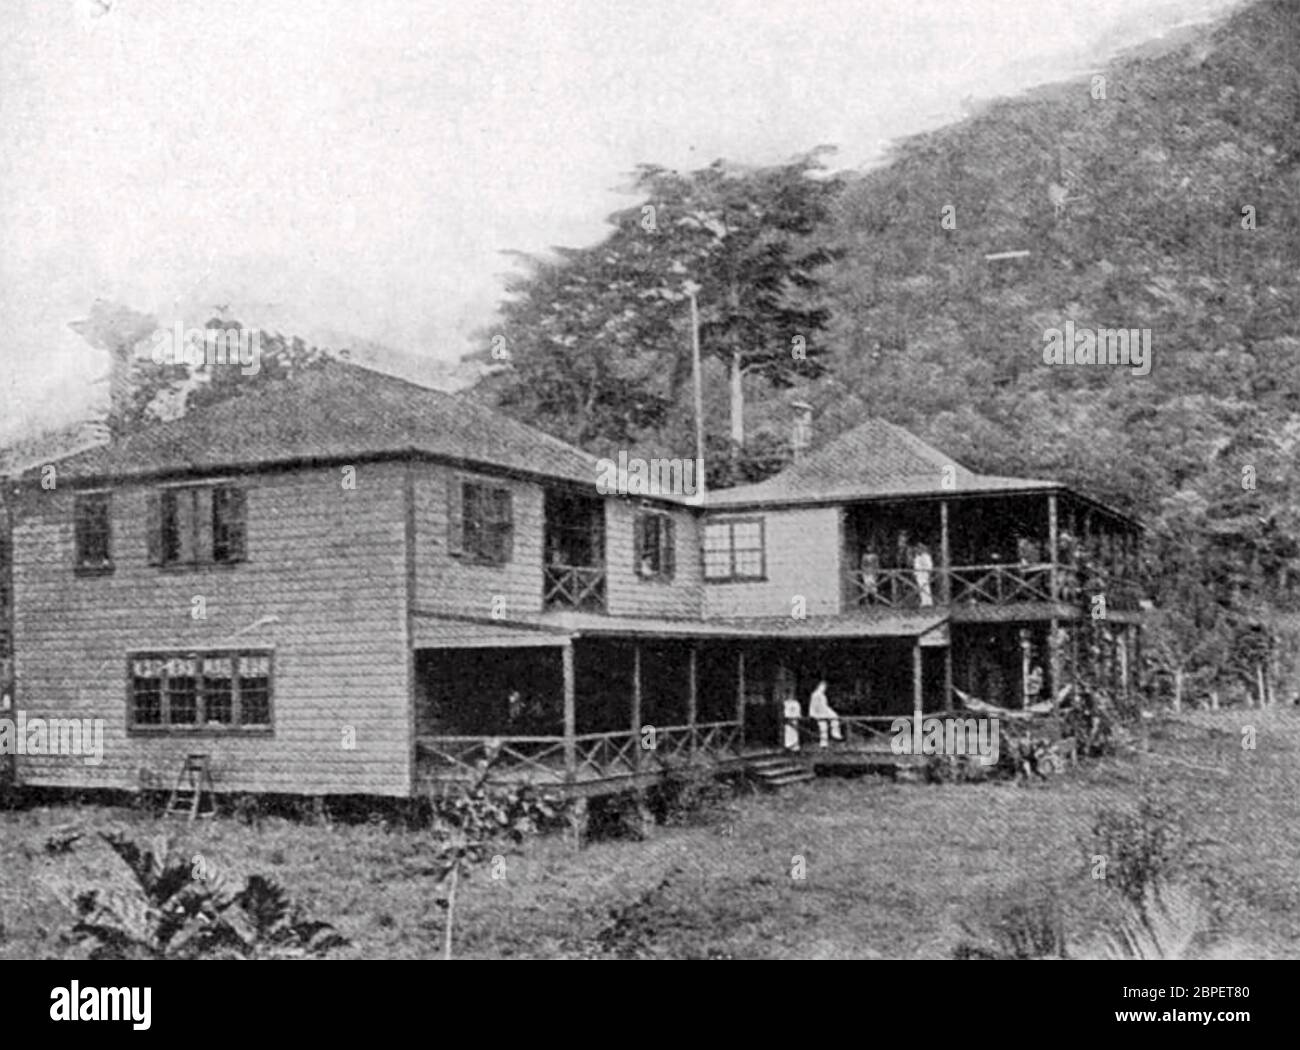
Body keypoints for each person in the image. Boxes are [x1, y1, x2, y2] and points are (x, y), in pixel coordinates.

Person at [808, 679, 843, 748]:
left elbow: (825, 705)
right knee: (823, 727)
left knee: (834, 716)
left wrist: (828, 711)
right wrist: (813, 713)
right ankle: (824, 743)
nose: (824, 688)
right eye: (823, 687)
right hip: (819, 711)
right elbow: (813, 705)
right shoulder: (815, 694)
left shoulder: (823, 695)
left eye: (825, 687)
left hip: (825, 710)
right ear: (819, 686)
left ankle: (835, 733)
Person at [912, 542, 934, 607]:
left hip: (924, 574)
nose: (917, 550)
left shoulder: (925, 556)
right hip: (919, 575)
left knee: (926, 588)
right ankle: (924, 602)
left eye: (918, 549)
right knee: (921, 588)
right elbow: (916, 565)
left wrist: (928, 573)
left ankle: (928, 603)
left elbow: (929, 566)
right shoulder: (917, 556)